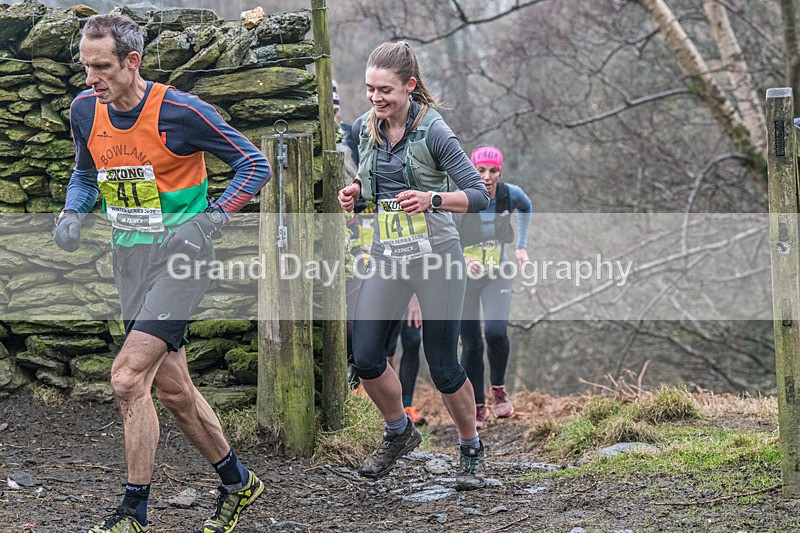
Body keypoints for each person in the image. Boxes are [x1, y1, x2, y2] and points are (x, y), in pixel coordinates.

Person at [52, 14, 270, 533]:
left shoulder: (179, 111)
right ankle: (239, 482)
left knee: (128, 379)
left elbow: (254, 164)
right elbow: (86, 172)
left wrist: (210, 220)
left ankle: (134, 512)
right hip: (129, 259)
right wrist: (72, 212)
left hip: (182, 261)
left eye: (101, 67)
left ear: (133, 62)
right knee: (173, 392)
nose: (90, 78)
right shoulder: (85, 109)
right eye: (85, 66)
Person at [338, 41, 490, 491]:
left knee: (442, 365)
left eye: (384, 90)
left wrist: (433, 199)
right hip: (389, 253)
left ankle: (470, 447)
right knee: (365, 356)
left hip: (437, 255)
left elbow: (478, 197)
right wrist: (354, 195)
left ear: (409, 85)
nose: (375, 98)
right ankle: (399, 431)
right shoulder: (368, 128)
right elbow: (370, 187)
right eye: (369, 89)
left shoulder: (435, 132)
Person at [458, 145, 532, 430]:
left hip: (497, 273)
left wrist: (522, 247)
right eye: (480, 170)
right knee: (472, 344)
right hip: (463, 278)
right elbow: (442, 230)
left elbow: (526, 206)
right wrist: (462, 258)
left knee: (496, 332)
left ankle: (498, 389)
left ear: (501, 172)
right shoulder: (462, 196)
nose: (487, 177)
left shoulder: (508, 194)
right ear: (472, 170)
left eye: (493, 171)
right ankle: (477, 405)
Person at [385, 295, 425, 425]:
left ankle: (406, 407)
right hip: (388, 284)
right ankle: (382, 404)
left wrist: (415, 298)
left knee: (413, 340)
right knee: (387, 343)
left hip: (415, 285)